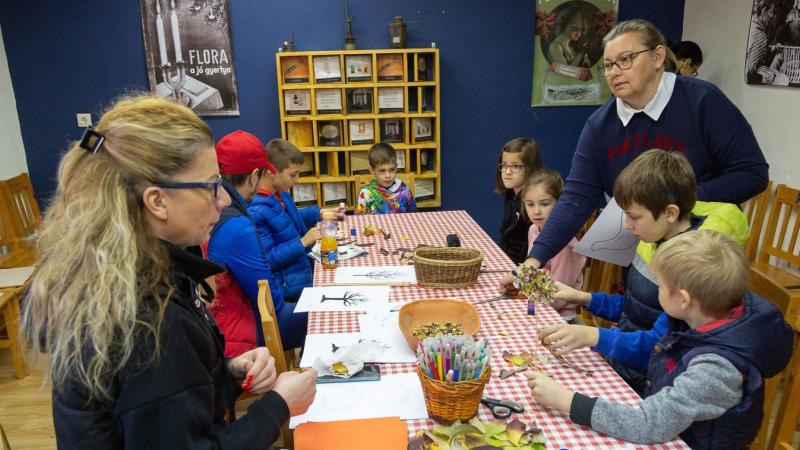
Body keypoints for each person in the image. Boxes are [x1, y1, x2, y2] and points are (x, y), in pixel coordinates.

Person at [22, 95, 317, 448]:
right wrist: (279, 405)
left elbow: (166, 402)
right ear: (157, 201)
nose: (223, 200)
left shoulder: (122, 279)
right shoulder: (151, 323)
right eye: (211, 186)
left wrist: (227, 373)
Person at [524, 19, 769, 273]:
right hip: (642, 261)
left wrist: (672, 202)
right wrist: (534, 259)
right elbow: (576, 198)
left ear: (658, 57)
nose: (614, 72)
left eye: (626, 59)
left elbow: (752, 174)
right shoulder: (599, 126)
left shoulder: (703, 101)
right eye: (607, 66)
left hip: (705, 261)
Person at [527, 230, 793, 449]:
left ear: (685, 299)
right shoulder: (696, 315)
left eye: (661, 286)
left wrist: (566, 400)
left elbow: (649, 424)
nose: (657, 290)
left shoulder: (716, 368)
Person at [538, 149, 749, 390]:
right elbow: (636, 308)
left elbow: (658, 344)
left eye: (634, 216)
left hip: (648, 383)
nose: (627, 226)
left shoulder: (691, 266)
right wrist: (582, 297)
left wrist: (593, 336)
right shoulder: (653, 240)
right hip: (624, 365)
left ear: (670, 213)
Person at [207, 130, 308, 357]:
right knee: (332, 317)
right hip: (245, 335)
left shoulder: (218, 212)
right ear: (254, 176)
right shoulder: (238, 228)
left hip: (225, 324)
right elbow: (273, 309)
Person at [248, 138, 322, 302]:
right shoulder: (256, 211)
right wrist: (302, 242)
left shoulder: (280, 194)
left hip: (304, 274)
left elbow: (289, 220)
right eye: (293, 175)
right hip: (290, 291)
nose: (297, 180)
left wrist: (319, 213)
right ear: (270, 172)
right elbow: (268, 260)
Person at [521, 169, 586, 322]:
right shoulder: (533, 230)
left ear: (560, 204)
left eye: (544, 204)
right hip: (537, 305)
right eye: (530, 204)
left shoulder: (565, 246)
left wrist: (526, 299)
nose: (536, 211)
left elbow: (559, 296)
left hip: (560, 317)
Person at [496, 137, 544, 265]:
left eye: (515, 166)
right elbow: (506, 235)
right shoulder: (511, 193)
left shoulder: (533, 203)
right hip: (504, 257)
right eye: (504, 165)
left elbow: (528, 247)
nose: (507, 172)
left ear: (530, 168)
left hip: (519, 264)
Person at [356, 143, 416, 214]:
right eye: (382, 171)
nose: (388, 175)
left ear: (396, 167)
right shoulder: (365, 193)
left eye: (392, 169)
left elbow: (414, 216)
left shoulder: (405, 191)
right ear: (372, 170)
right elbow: (359, 219)